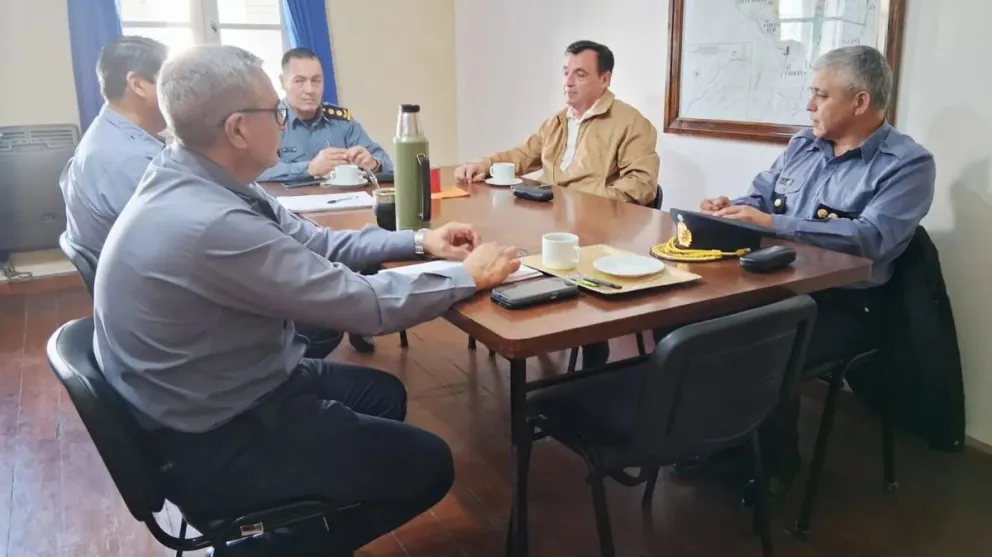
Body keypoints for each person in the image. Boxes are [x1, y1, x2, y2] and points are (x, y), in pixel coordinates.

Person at [92, 44, 521, 555]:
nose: (284, 120)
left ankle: (316, 501)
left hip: (217, 389)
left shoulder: (199, 176)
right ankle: (264, 549)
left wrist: (417, 242)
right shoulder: (212, 222)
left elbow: (318, 242)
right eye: (275, 110)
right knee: (430, 464)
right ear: (237, 129)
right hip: (216, 437)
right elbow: (363, 305)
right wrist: (466, 276)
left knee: (386, 398)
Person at [691, 45, 936, 501]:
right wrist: (736, 208)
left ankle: (775, 467)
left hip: (849, 303)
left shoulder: (907, 165)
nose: (809, 105)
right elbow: (763, 196)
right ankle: (716, 444)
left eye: (820, 95)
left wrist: (775, 224)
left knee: (764, 343)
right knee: (694, 321)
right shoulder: (804, 144)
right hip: (778, 281)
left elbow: (871, 237)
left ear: (860, 102)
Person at [456, 40, 660, 368]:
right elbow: (525, 154)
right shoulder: (557, 122)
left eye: (579, 74)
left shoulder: (631, 123)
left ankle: (590, 354)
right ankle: (533, 334)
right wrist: (486, 162)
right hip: (550, 226)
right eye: (566, 73)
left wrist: (585, 204)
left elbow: (642, 184)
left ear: (604, 79)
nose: (567, 82)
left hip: (600, 235)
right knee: (496, 248)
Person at [59, 36, 168, 256]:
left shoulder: (107, 133)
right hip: (147, 282)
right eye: (172, 83)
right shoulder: (128, 159)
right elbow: (177, 242)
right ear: (137, 85)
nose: (182, 94)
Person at [256, 47, 393, 183]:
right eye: (299, 81)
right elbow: (255, 170)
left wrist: (373, 164)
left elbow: (387, 163)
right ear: (282, 82)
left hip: (343, 201)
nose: (309, 90)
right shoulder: (268, 120)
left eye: (316, 81)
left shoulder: (341, 121)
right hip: (285, 202)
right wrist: (309, 168)